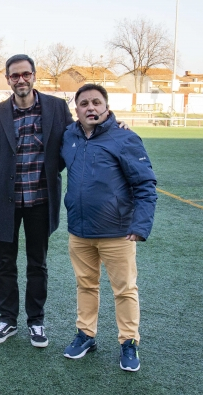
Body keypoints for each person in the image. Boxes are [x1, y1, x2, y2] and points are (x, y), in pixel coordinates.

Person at [0, 54, 73, 348]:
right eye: (14, 75)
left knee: (37, 263)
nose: (21, 79)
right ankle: (8, 320)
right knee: (5, 263)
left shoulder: (57, 107)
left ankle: (36, 322)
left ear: (34, 76)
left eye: (25, 74)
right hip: (5, 202)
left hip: (41, 200)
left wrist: (113, 126)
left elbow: (76, 138)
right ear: (7, 79)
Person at [61, 84, 156, 372]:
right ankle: (86, 335)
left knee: (125, 290)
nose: (91, 108)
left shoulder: (125, 138)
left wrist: (140, 225)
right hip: (79, 231)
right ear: (75, 109)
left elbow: (145, 185)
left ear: (106, 106)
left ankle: (129, 342)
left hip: (117, 232)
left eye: (96, 102)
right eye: (85, 103)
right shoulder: (69, 136)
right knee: (86, 285)